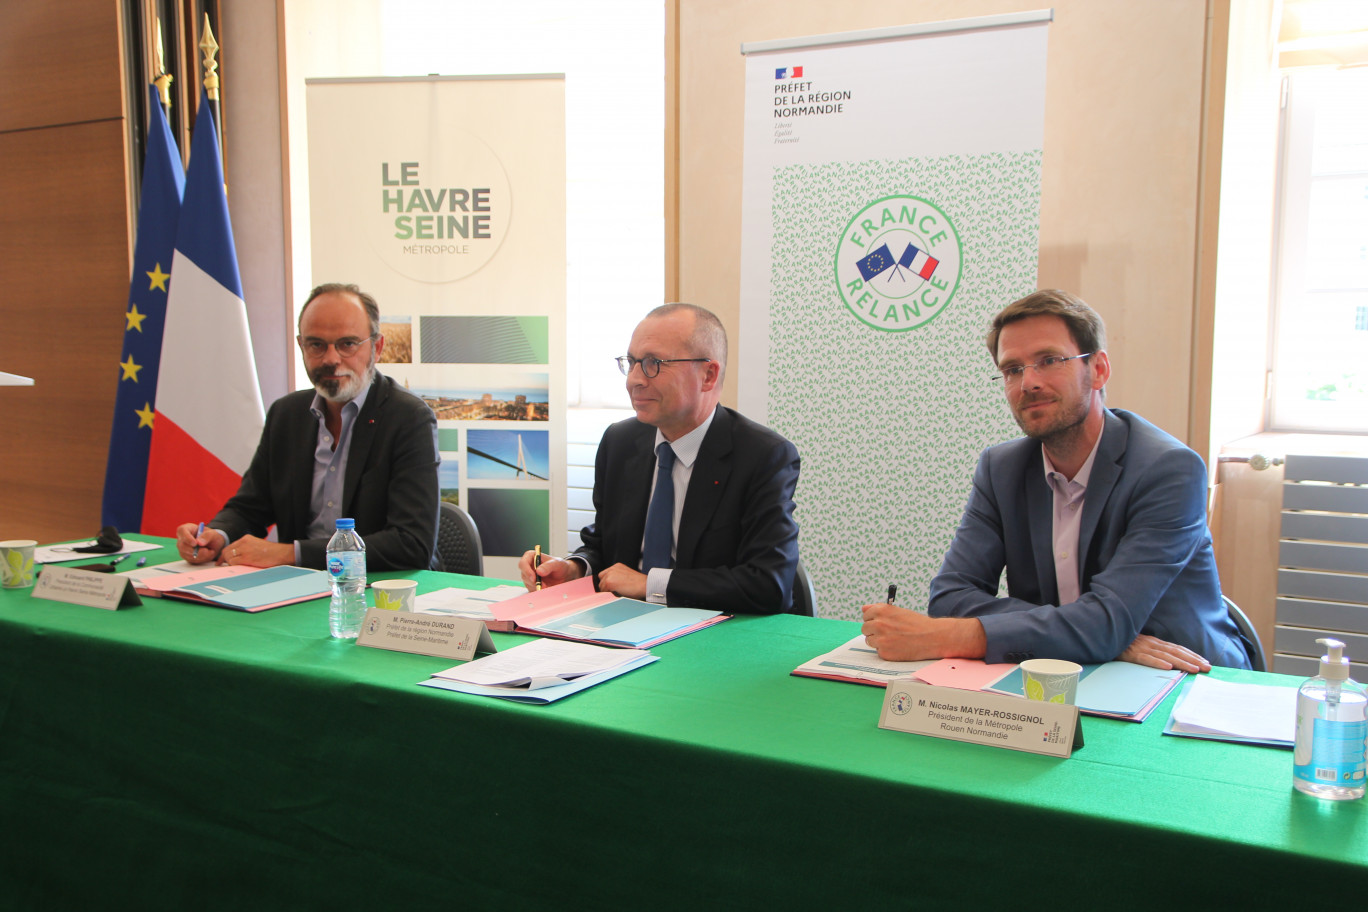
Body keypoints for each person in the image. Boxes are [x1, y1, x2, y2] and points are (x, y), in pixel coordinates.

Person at [861, 289, 1250, 671]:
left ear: (1098, 370)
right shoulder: (1001, 468)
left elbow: (1105, 624)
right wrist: (1089, 631)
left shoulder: (1168, 470)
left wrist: (944, 636)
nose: (1028, 382)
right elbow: (949, 596)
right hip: (1068, 670)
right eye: (1012, 369)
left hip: (1186, 681)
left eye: (1049, 360)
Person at [518, 303, 800, 614]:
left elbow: (769, 584)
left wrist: (649, 583)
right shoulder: (620, 442)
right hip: (618, 627)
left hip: (711, 637)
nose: (634, 380)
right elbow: (604, 545)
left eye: (653, 363)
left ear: (708, 374)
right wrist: (574, 569)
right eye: (632, 362)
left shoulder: (762, 456)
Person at [175, 283, 440, 571]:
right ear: (302, 346)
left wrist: (289, 554)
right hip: (296, 590)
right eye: (316, 345)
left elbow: (411, 545)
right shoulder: (287, 414)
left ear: (376, 348)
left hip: (377, 591)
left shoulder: (408, 418)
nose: (330, 359)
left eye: (347, 344)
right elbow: (250, 507)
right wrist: (217, 535)